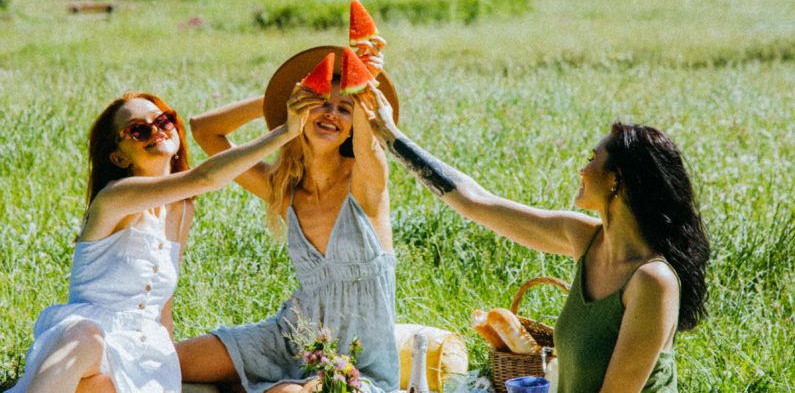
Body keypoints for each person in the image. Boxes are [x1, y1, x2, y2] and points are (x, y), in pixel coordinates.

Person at [357, 86, 710, 392]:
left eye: (592, 159)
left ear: (616, 180)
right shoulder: (584, 239)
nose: (582, 169)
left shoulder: (653, 282)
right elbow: (476, 201)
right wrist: (392, 138)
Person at [7, 90, 306, 393]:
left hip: (142, 355)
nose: (156, 131)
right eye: (138, 130)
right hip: (87, 345)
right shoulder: (116, 196)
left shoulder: (182, 209)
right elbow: (205, 178)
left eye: (164, 120)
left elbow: (164, 308)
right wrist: (286, 131)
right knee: (84, 335)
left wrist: (283, 96)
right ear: (118, 156)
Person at [176, 46, 401, 393]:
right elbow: (205, 130)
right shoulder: (284, 191)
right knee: (169, 361)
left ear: (353, 126)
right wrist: (284, 99)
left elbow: (370, 146)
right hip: (289, 338)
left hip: (358, 364)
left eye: (345, 108)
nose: (332, 114)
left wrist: (365, 86)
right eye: (321, 102)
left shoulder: (365, 183)